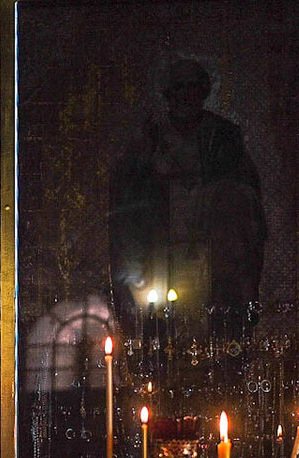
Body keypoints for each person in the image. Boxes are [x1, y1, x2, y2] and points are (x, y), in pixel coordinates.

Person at [109, 57, 266, 334]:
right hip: (161, 245)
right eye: (178, 87)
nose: (185, 95)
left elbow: (244, 189)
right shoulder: (151, 135)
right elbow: (128, 193)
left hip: (214, 245)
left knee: (217, 314)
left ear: (204, 91)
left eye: (192, 87)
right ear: (169, 93)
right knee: (163, 321)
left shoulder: (224, 134)